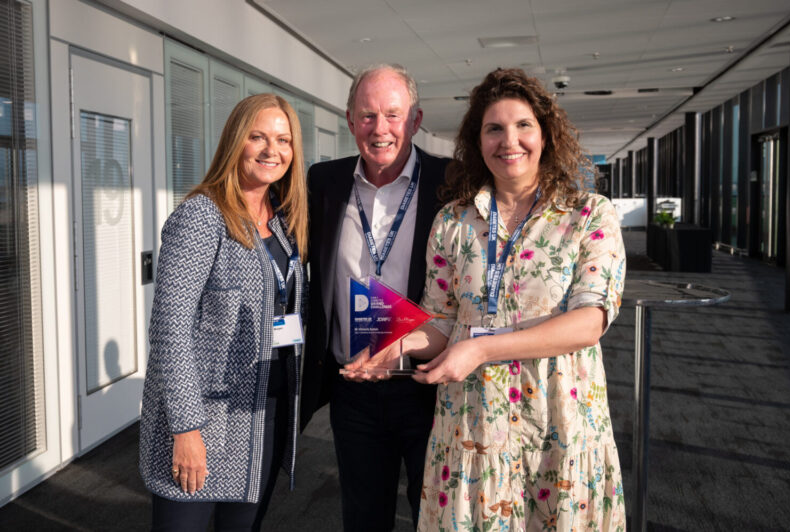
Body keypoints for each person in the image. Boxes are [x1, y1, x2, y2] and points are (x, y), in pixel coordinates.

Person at [365, 68, 627, 530]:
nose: (510, 140)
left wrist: (482, 348)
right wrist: (399, 346)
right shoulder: (452, 221)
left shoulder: (589, 214)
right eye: (494, 128)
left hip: (559, 426)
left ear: (545, 134)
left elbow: (590, 320)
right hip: (472, 431)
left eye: (523, 125)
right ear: (477, 140)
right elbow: (442, 321)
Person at [139, 93, 308, 531]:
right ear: (235, 141)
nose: (273, 150)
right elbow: (169, 330)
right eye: (258, 137)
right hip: (204, 422)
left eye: (283, 140)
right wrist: (186, 429)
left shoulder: (283, 222)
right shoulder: (202, 216)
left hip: (262, 414)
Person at [299, 64, 450, 531]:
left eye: (392, 114)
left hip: (429, 385)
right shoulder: (323, 182)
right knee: (363, 517)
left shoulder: (452, 183)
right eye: (367, 116)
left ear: (416, 120)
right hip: (354, 388)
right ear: (349, 121)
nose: (380, 129)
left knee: (436, 514)